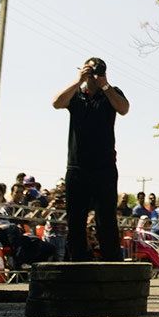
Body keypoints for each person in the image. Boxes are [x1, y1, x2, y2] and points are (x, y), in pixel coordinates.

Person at [52, 57, 129, 261]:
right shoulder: (76, 95)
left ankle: (112, 264)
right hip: (77, 167)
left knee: (106, 219)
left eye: (97, 70)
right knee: (76, 219)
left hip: (104, 168)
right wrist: (78, 80)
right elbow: (56, 103)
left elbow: (123, 108)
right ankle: (77, 263)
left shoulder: (111, 93)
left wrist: (104, 84)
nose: (93, 74)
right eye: (90, 70)